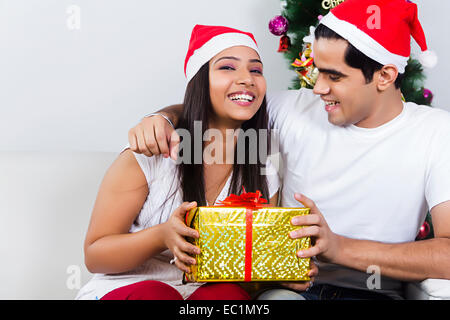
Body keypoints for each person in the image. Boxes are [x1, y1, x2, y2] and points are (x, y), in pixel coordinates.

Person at [127, 0, 450, 300]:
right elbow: (214, 105)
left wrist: (338, 248)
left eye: (334, 76)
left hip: (371, 292)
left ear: (385, 75)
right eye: (317, 70)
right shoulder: (294, 108)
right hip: (288, 290)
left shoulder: (435, 132)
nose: (318, 88)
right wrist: (162, 118)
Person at [76, 25, 318, 300]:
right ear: (199, 81)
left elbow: (248, 268)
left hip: (203, 293)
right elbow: (95, 256)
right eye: (227, 68)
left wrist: (284, 271)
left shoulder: (263, 167)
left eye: (256, 70)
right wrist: (162, 236)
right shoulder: (149, 155)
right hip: (130, 289)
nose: (247, 79)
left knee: (227, 295)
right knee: (156, 295)